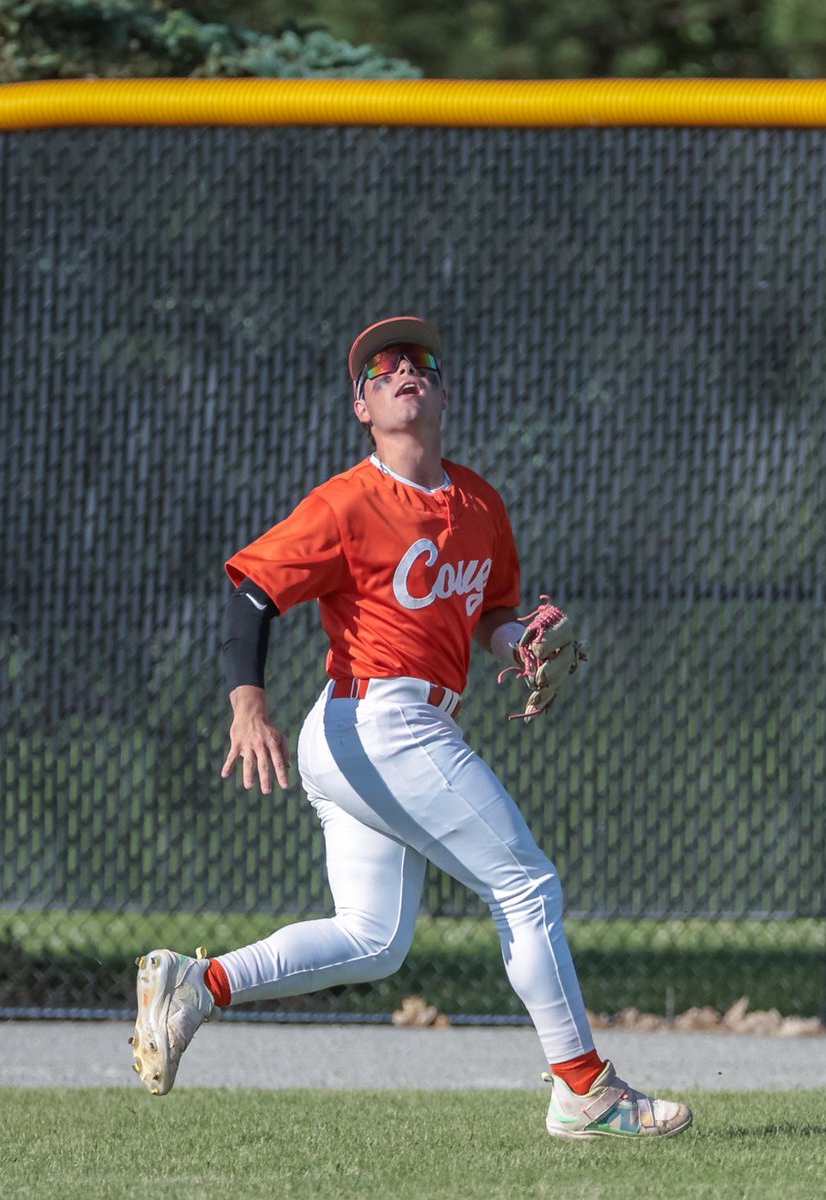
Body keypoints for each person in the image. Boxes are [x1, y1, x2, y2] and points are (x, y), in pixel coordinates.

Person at [129, 316, 692, 1139]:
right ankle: (584, 1089)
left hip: (384, 728)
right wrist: (246, 701)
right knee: (527, 885)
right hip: (378, 719)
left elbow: (487, 612)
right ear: (362, 406)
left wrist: (519, 641)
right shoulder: (347, 502)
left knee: (373, 939)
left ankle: (199, 983)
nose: (403, 370)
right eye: (380, 368)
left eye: (419, 360)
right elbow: (250, 588)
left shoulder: (479, 505)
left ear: (444, 390)